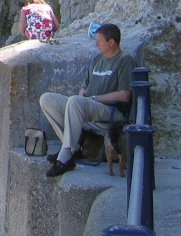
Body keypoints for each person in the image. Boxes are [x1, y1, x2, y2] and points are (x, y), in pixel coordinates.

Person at [39, 22, 133, 177]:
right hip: (88, 106)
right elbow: (84, 86)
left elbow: (125, 95)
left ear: (111, 42)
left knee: (76, 101)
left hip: (111, 112)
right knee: (47, 99)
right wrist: (82, 97)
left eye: (99, 41)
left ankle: (65, 157)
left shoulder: (125, 60)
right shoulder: (98, 59)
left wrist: (93, 99)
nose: (96, 44)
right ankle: (73, 147)